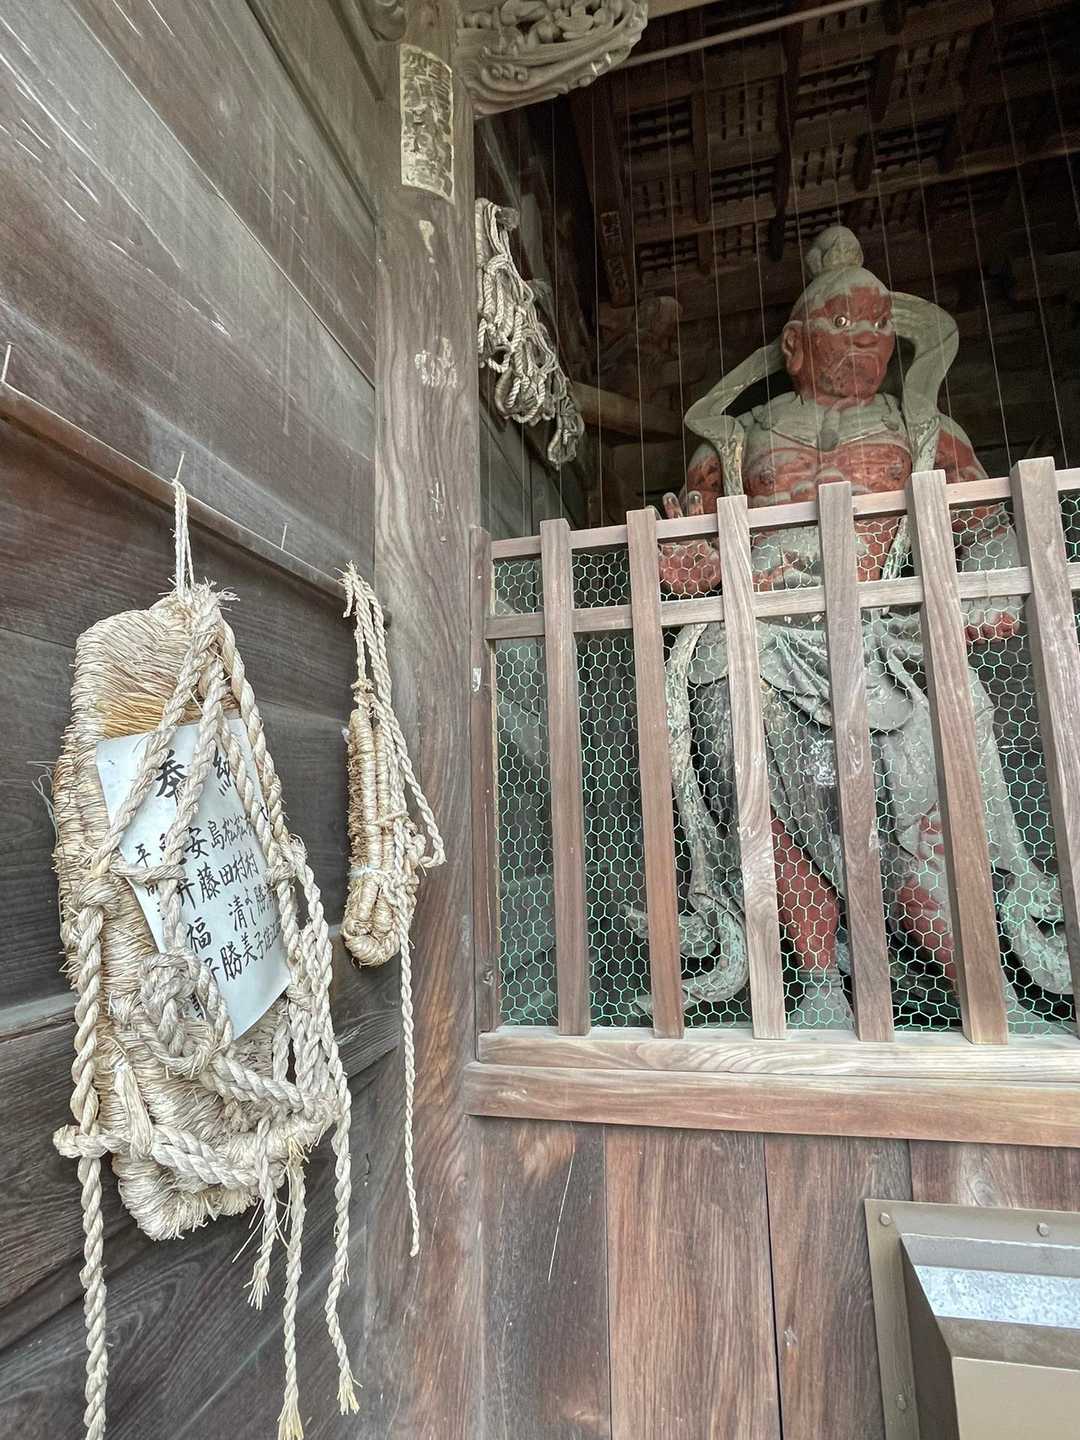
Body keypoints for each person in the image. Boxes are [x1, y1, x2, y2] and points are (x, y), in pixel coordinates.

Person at [655, 225, 1067, 1026]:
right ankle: (817, 982)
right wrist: (691, 563)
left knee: (924, 786)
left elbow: (989, 525)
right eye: (842, 323)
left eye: (879, 326)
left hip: (887, 633)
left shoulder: (925, 431)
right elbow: (697, 538)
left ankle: (982, 991)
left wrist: (988, 585)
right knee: (744, 755)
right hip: (764, 630)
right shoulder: (735, 439)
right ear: (794, 345)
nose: (865, 340)